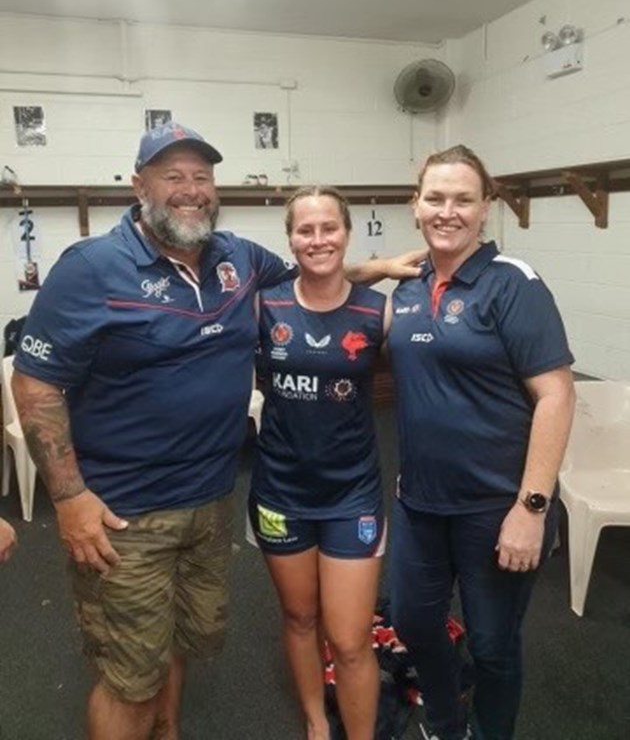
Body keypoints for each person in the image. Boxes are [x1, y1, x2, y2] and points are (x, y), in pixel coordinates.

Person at [11, 121, 420, 740]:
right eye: (172, 176)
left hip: (210, 502)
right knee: (130, 679)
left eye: (201, 176)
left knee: (175, 645)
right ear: (138, 186)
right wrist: (68, 496)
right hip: (125, 513)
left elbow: (317, 277)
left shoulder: (237, 258)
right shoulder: (92, 267)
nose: (191, 189)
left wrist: (380, 267)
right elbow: (36, 383)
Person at [386, 145, 575, 740]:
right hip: (420, 503)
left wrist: (532, 509)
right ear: (415, 206)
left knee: (493, 647)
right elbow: (326, 275)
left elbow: (556, 396)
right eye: (435, 198)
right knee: (413, 623)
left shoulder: (512, 285)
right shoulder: (410, 288)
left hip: (496, 510)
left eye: (463, 199)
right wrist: (375, 268)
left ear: (485, 208)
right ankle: (446, 722)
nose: (449, 211)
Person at [248, 186, 388, 740]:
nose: (318, 239)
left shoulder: (381, 310)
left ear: (346, 232)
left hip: (351, 494)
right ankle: (314, 721)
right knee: (301, 619)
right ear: (291, 239)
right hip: (280, 492)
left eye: (329, 227)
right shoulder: (268, 304)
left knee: (351, 638)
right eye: (305, 230)